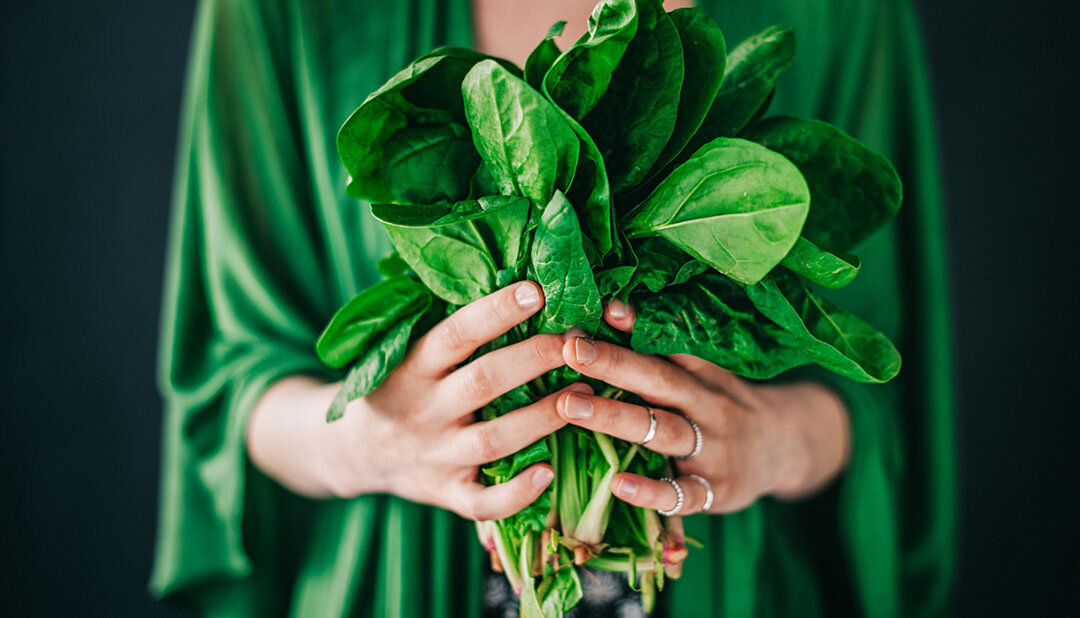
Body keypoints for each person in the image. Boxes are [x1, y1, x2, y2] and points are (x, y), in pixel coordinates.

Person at [150, 0, 954, 616]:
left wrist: (772, 442)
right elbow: (228, 381)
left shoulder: (846, 13)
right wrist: (372, 443)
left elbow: (882, 382)